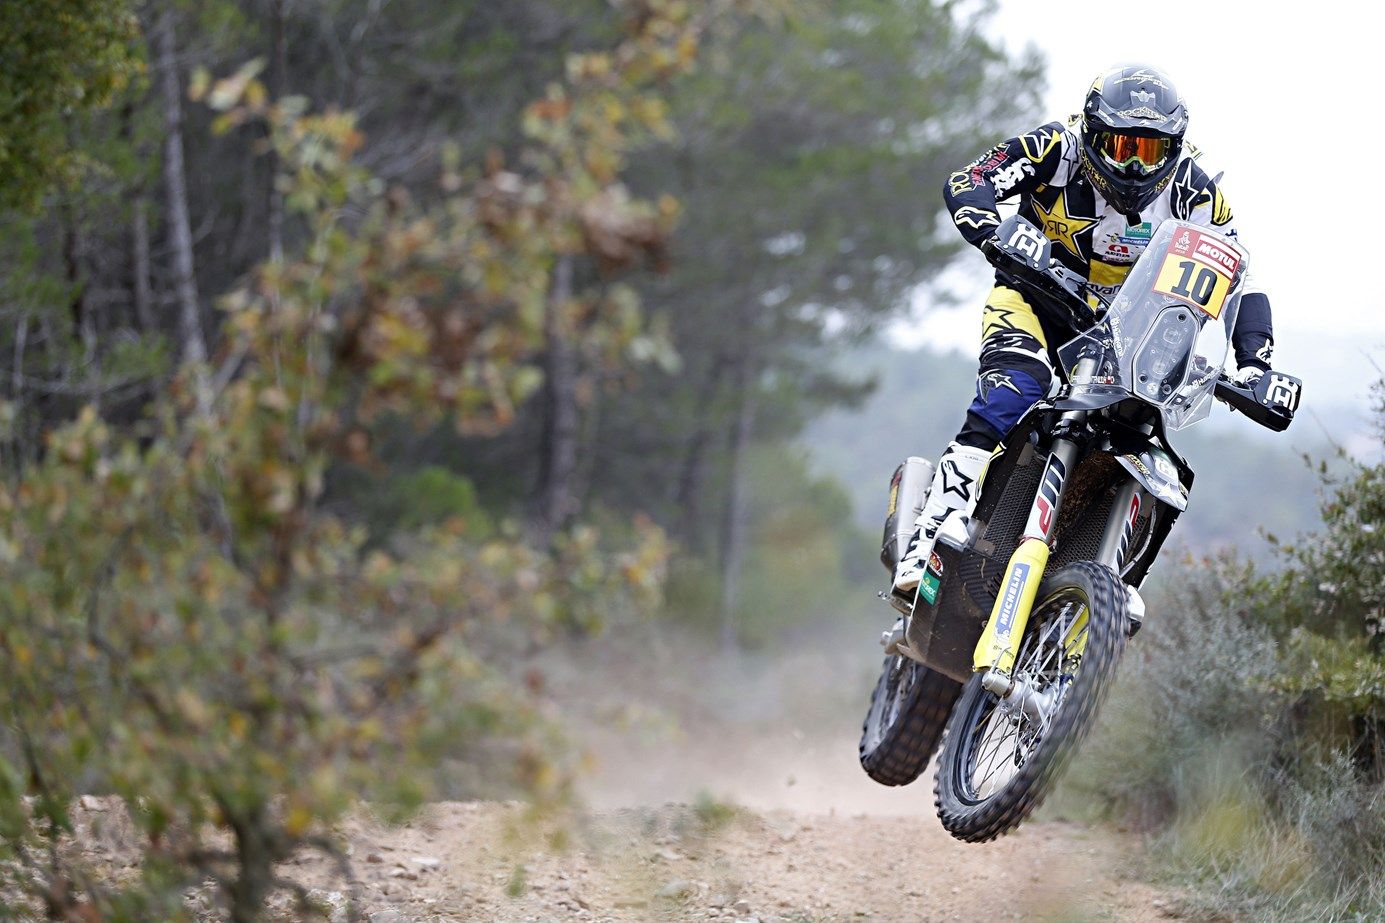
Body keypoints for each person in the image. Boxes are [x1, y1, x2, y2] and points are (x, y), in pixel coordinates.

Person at [893, 63, 1276, 593]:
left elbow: (1237, 278)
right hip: (1034, 299)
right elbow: (970, 180)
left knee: (1140, 432)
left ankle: (1107, 586)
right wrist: (994, 231)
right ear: (1092, 135)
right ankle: (928, 538)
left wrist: (1256, 365)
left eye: (1152, 151)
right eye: (1121, 147)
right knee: (1013, 390)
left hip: (1124, 335)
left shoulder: (1196, 192)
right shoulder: (1054, 148)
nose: (1135, 166)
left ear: (1175, 148)